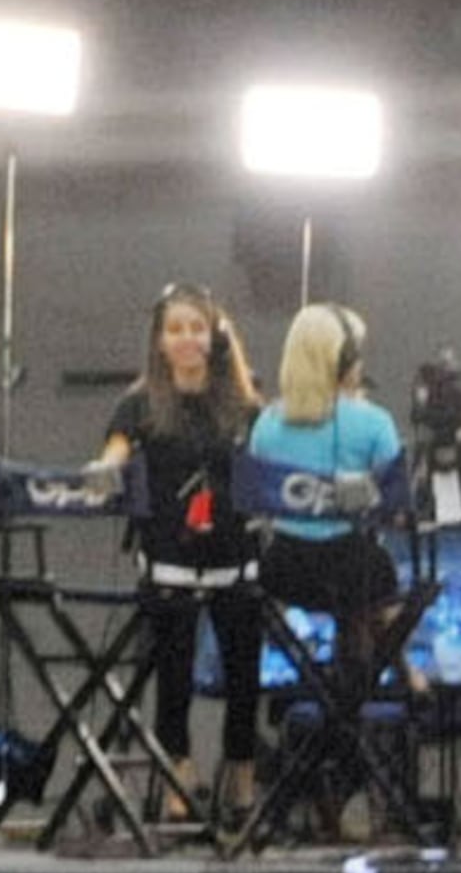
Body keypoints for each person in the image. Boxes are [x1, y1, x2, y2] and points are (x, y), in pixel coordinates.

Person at [96, 282, 266, 823]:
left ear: (214, 336)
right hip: (168, 557)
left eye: (196, 328)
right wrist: (103, 472)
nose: (187, 339)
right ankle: (180, 774)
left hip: (233, 557)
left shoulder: (243, 403)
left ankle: (240, 773)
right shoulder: (140, 401)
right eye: (175, 330)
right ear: (160, 341)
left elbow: (268, 464)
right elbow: (114, 454)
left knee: (244, 674)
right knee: (174, 674)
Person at [247, 303, 413, 830]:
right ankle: (359, 758)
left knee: (352, 605)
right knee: (369, 598)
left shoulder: (267, 423)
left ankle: (316, 770)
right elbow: (400, 501)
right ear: (343, 359)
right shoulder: (372, 422)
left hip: (285, 572)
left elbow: (257, 500)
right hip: (354, 571)